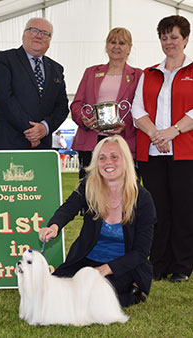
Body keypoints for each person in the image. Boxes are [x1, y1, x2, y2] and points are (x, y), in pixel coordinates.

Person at [39, 136, 156, 307]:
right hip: (86, 261)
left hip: (122, 267)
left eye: (114, 156)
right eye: (102, 158)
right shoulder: (88, 186)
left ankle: (134, 290)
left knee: (98, 297)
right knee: (53, 290)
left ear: (125, 160)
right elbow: (68, 208)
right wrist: (54, 226)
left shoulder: (143, 198)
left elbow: (140, 252)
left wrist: (103, 270)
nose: (108, 162)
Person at [131, 15, 193, 283]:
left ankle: (182, 265)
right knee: (157, 210)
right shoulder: (149, 73)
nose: (169, 42)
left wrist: (173, 131)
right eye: (164, 37)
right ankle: (158, 263)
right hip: (153, 152)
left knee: (184, 209)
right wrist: (156, 134)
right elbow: (137, 110)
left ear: (186, 39)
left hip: (185, 152)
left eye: (174, 37)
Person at [0, 17, 69, 150]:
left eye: (45, 33)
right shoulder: (5, 59)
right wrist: (31, 131)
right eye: (34, 31)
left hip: (41, 146)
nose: (39, 36)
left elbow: (62, 106)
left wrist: (44, 128)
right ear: (23, 34)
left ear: (49, 41)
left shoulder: (57, 69)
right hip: (5, 143)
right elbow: (3, 98)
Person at [71, 28, 142, 180]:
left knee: (125, 191)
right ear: (106, 46)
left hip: (123, 141)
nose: (116, 46)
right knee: (89, 191)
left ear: (129, 48)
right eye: (112, 42)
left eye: (122, 43)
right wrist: (84, 120)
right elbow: (76, 105)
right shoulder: (90, 72)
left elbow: (142, 108)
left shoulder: (138, 75)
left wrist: (127, 124)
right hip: (90, 140)